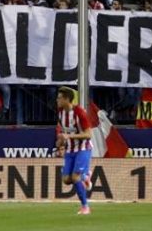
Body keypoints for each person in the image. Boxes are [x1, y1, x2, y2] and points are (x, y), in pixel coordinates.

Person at [55, 86, 93, 215]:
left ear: (67, 99)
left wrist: (69, 136)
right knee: (66, 180)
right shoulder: (60, 112)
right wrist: (60, 141)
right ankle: (85, 176)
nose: (57, 100)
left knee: (75, 177)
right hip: (70, 149)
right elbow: (62, 130)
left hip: (83, 147)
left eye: (59, 98)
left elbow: (88, 135)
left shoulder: (79, 113)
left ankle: (85, 206)